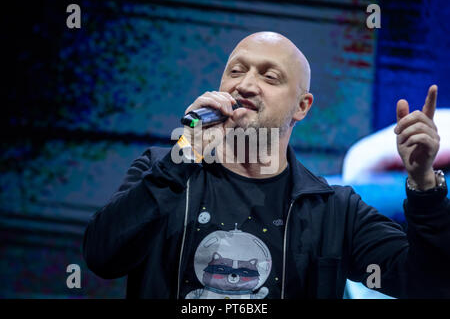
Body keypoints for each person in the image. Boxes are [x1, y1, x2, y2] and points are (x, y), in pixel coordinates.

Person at [82, 32, 450, 299]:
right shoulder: (163, 169)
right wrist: (184, 155)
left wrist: (424, 185)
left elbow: (428, 283)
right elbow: (104, 257)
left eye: (269, 76)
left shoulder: (334, 211)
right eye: (236, 71)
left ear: (302, 106)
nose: (246, 84)